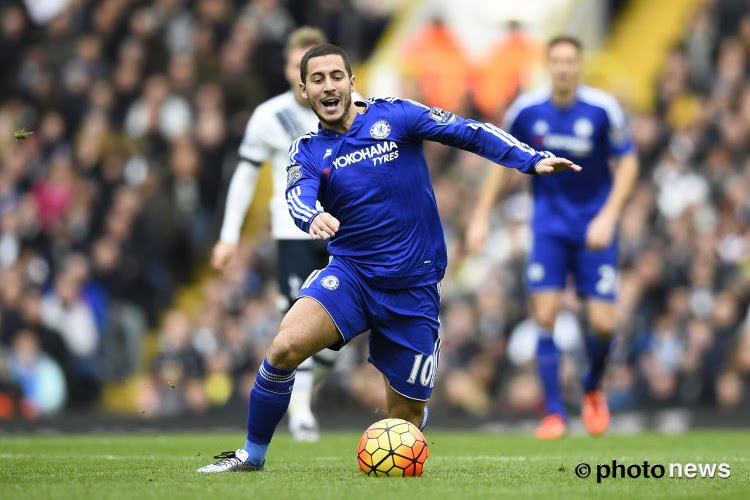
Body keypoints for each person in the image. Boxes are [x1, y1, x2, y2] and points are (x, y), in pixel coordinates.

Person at [197, 43, 579, 473]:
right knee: (285, 345)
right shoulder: (307, 149)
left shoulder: (394, 115)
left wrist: (530, 159)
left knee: (405, 423)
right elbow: (297, 197)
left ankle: (412, 410)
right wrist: (315, 216)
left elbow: (467, 131)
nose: (328, 86)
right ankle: (253, 454)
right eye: (317, 80)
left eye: (336, 76)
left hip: (413, 287)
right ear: (304, 90)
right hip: (352, 276)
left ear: (351, 81)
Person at [465, 36, 639, 439]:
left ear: (580, 66)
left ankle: (593, 388)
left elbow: (628, 162)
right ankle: (555, 412)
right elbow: (498, 159)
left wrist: (609, 217)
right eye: (556, 61)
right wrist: (479, 217)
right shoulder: (526, 110)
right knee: (544, 317)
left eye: (570, 61)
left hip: (594, 227)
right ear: (548, 65)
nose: (563, 68)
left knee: (603, 324)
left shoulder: (601, 109)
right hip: (548, 227)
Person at [210, 26, 335, 442]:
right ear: (290, 70)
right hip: (294, 232)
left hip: (344, 232)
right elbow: (245, 176)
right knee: (298, 322)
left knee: (338, 337)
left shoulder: (349, 111)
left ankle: (302, 404)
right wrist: (229, 235)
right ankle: (300, 412)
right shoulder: (269, 116)